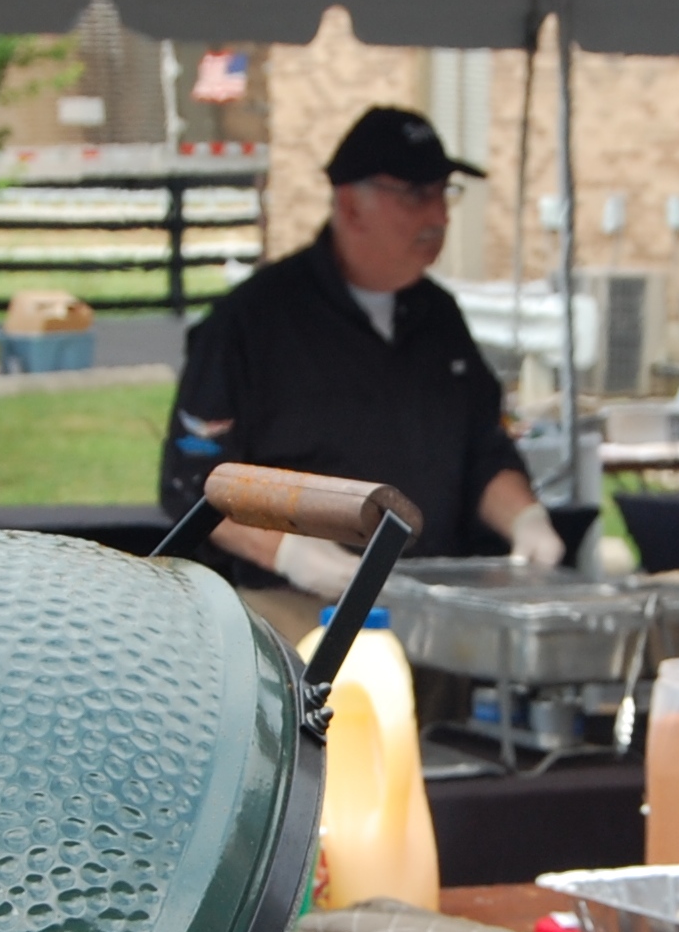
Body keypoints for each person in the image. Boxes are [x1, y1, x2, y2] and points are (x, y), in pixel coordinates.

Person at [161, 106, 564, 639]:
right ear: (351, 206)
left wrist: (525, 519)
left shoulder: (439, 317)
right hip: (293, 615)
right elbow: (195, 482)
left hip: (431, 607)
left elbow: (484, 451)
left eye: (445, 194)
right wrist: (289, 553)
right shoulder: (251, 323)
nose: (439, 217)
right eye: (417, 196)